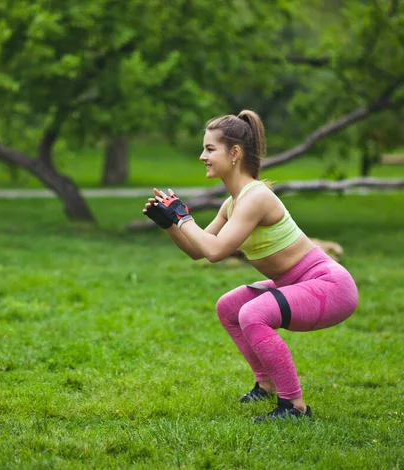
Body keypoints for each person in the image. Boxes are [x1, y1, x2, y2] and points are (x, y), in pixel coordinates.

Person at [142, 110, 358, 421]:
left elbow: (215, 252)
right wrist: (169, 224)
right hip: (296, 284)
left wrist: (182, 216)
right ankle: (266, 384)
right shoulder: (232, 204)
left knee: (252, 312)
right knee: (229, 306)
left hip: (330, 287)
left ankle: (294, 406)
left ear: (234, 154)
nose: (202, 156)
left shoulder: (256, 198)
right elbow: (198, 250)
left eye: (209, 149)